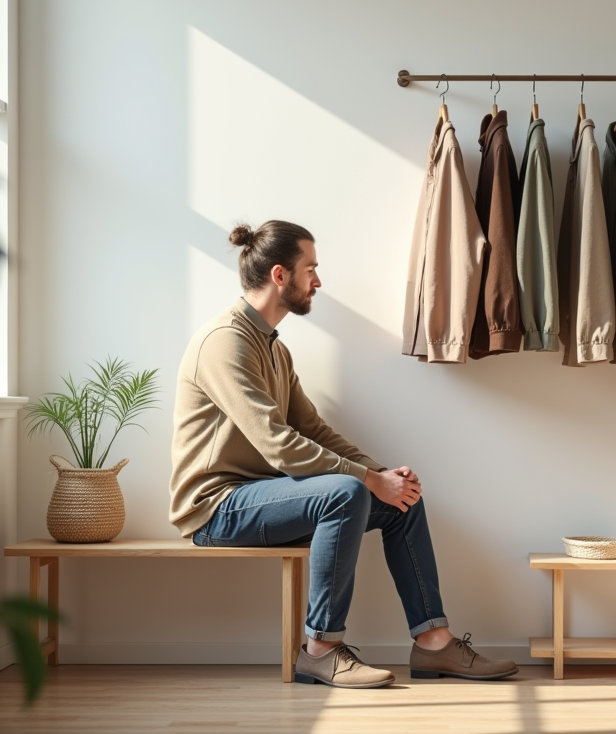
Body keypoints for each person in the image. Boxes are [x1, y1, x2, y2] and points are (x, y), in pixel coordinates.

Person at [169, 220, 517, 688]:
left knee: (402, 502)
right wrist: (367, 481)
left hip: (261, 494)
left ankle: (434, 642)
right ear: (279, 276)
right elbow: (278, 444)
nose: (317, 280)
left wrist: (382, 474)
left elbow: (312, 429)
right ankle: (321, 649)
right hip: (216, 507)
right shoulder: (224, 343)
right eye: (309, 269)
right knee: (345, 493)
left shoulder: (275, 349)